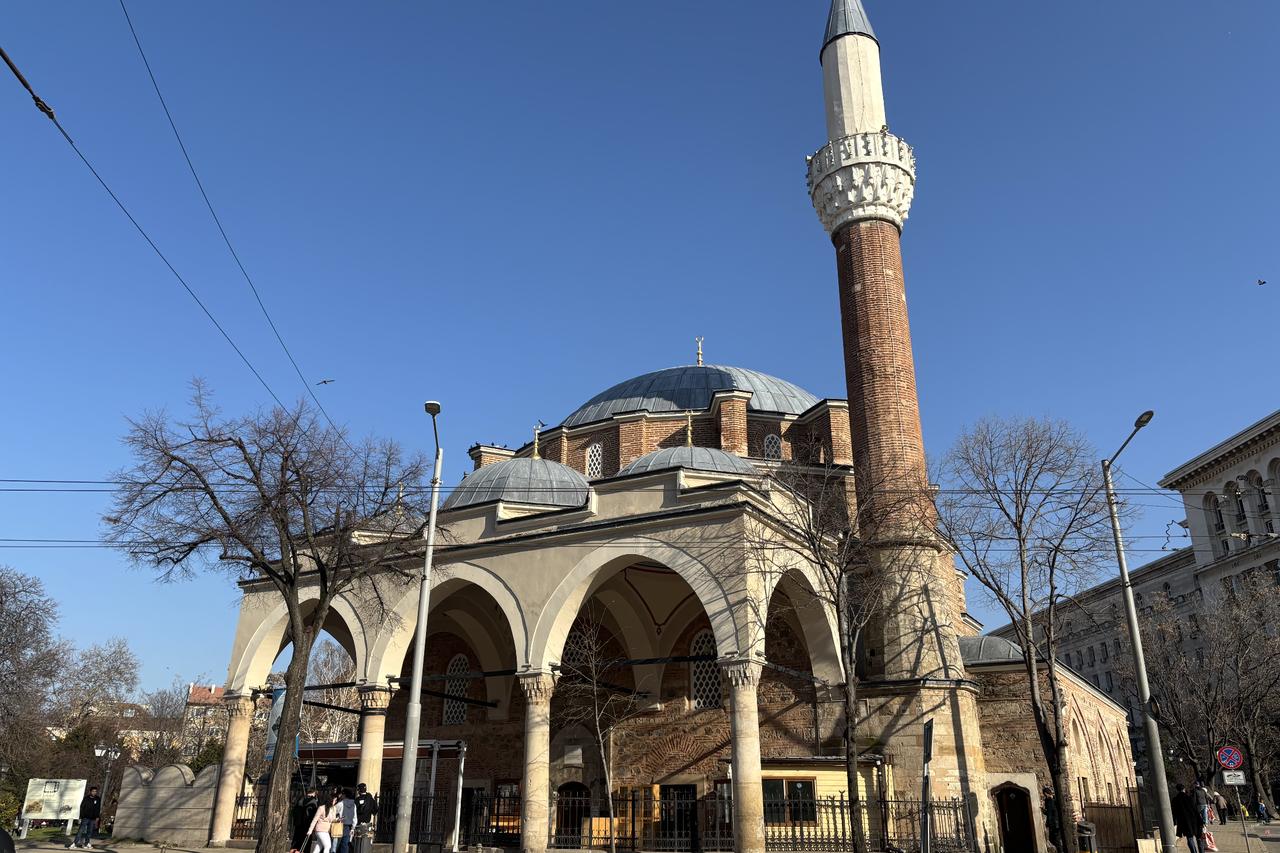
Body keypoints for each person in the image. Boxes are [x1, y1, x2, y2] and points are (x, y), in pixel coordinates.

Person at [1173, 783, 1206, 853]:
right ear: (1184, 789)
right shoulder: (1189, 798)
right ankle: (1202, 851)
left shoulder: (1175, 800)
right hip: (1195, 821)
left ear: (1177, 790)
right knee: (1199, 837)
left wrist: (1175, 822)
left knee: (1190, 838)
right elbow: (1195, 810)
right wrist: (1201, 821)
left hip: (1185, 822)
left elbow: (1174, 812)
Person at [291, 789, 319, 853]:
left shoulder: (300, 799)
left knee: (296, 841)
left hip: (298, 824)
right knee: (306, 843)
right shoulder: (313, 801)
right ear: (314, 793)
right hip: (307, 824)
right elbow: (313, 814)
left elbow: (294, 811)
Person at [334, 789, 356, 853]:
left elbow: (333, 812)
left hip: (339, 825)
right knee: (345, 845)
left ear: (344, 795)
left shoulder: (340, 804)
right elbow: (355, 818)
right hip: (348, 827)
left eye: (342, 794)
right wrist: (353, 828)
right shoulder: (354, 805)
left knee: (335, 845)